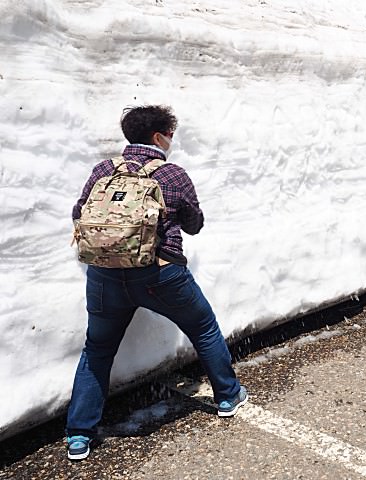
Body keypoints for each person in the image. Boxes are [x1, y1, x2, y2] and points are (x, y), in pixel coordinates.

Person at [66, 105, 248, 461]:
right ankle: (228, 396)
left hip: (104, 276)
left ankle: (78, 435)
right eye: (170, 134)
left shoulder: (104, 169)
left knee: (98, 350)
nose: (171, 141)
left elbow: (79, 213)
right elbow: (194, 224)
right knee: (203, 327)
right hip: (160, 275)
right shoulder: (173, 175)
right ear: (158, 137)